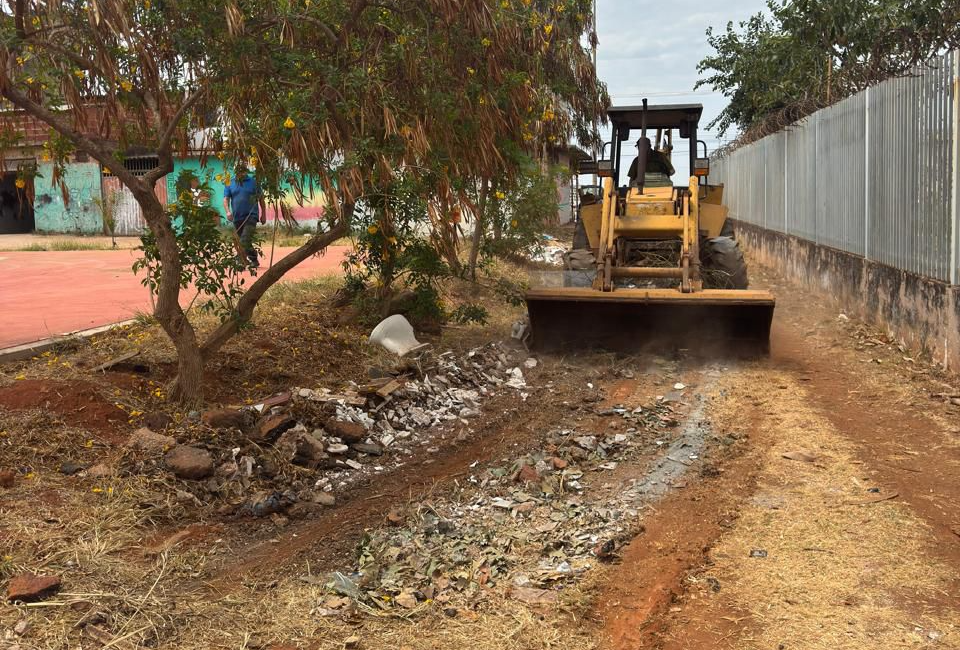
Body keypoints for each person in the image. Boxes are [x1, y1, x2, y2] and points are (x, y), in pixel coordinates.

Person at [223, 167, 266, 274]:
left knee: (245, 238)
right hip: (237, 217)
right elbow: (226, 199)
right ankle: (254, 259)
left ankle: (239, 259)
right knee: (244, 240)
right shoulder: (230, 183)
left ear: (246, 171)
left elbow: (261, 199)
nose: (240, 173)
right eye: (238, 171)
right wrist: (228, 212)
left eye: (242, 171)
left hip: (252, 216)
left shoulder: (253, 182)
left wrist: (263, 214)